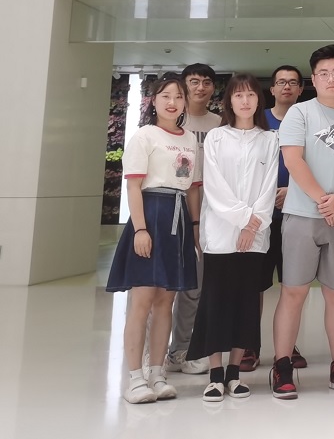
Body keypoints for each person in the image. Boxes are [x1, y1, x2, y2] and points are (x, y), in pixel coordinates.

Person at [269, 44, 334, 399]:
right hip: (301, 215)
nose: (330, 79)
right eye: (323, 73)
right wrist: (323, 200)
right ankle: (282, 366)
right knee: (293, 292)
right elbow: (293, 160)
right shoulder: (300, 113)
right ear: (314, 79)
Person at [106, 74, 201, 404]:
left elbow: (192, 189)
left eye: (178, 96)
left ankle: (158, 374)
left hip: (178, 219)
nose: (172, 102)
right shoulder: (144, 135)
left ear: (185, 103)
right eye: (165, 96)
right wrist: (141, 229)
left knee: (166, 302)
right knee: (143, 300)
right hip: (151, 215)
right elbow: (133, 186)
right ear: (154, 101)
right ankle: (135, 378)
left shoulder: (190, 139)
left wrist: (194, 228)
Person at [187, 74, 278, 402]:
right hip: (221, 235)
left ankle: (235, 373)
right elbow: (214, 187)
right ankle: (215, 374)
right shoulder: (216, 137)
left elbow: (269, 187)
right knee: (215, 303)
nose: (245, 101)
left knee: (246, 304)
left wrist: (253, 227)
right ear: (229, 101)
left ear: (258, 100)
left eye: (250, 95)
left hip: (255, 237)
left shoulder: (269, 140)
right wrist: (243, 220)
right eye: (238, 95)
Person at [242, 65, 307, 373]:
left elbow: (317, 163)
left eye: (293, 82)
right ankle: (249, 345)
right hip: (260, 216)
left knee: (292, 285)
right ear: (272, 89)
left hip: (297, 214)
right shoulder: (258, 121)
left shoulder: (308, 119)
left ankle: (287, 346)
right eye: (281, 82)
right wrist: (268, 196)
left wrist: (294, 191)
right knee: (253, 284)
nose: (286, 87)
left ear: (301, 89)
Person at [164, 63, 221, 376]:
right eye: (194, 81)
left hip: (208, 212)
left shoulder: (220, 123)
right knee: (161, 287)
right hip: (171, 210)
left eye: (207, 82)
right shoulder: (171, 121)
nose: (201, 87)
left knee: (194, 287)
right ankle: (153, 353)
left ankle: (181, 349)